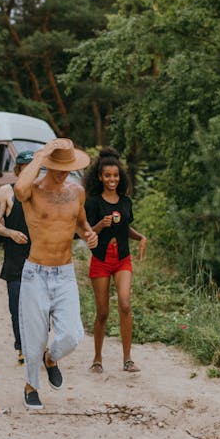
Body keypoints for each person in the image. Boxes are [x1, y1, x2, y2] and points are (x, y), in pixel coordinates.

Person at [14, 138, 98, 410]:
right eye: (58, 166)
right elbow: (18, 189)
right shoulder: (33, 191)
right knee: (34, 336)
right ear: (48, 164)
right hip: (35, 273)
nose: (64, 172)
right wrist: (41, 155)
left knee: (73, 335)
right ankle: (31, 386)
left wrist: (89, 234)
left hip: (64, 273)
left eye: (68, 167)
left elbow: (80, 224)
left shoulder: (76, 191)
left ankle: (50, 359)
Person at [83, 147, 147, 374]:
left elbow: (125, 228)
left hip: (122, 259)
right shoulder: (91, 203)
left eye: (116, 175)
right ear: (100, 177)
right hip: (100, 259)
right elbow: (87, 232)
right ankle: (97, 359)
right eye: (108, 175)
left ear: (120, 177)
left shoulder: (126, 202)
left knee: (125, 304)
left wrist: (139, 236)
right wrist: (101, 225)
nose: (112, 179)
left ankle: (128, 359)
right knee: (102, 312)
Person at [0, 149, 35, 366]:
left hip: (39, 258)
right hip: (15, 259)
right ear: (18, 170)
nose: (30, 173)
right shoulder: (6, 192)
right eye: (26, 169)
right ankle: (22, 348)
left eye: (33, 169)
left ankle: (40, 345)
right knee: (16, 306)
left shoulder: (42, 192)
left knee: (40, 307)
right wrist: (11, 233)